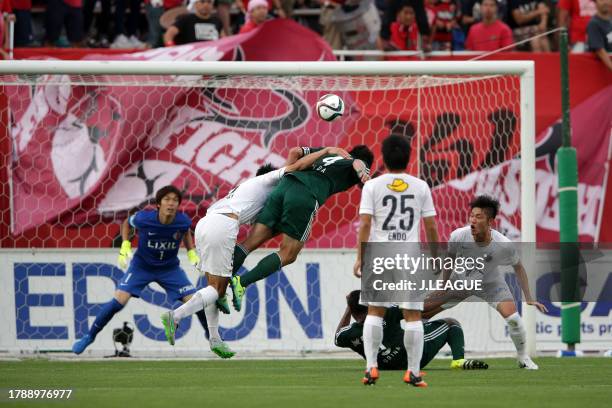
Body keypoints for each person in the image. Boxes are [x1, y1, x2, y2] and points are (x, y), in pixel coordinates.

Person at [160, 147, 351, 348]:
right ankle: (176, 316)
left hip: (205, 224)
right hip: (222, 226)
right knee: (216, 290)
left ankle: (215, 339)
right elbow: (297, 164)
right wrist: (328, 150)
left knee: (214, 289)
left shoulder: (249, 192)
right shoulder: (269, 179)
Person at [72, 186, 224, 356]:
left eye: (175, 200)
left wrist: (191, 252)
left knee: (196, 301)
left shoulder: (182, 220)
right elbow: (126, 223)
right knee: (119, 301)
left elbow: (185, 231)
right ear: (158, 204)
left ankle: (210, 336)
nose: (171, 203)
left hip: (169, 268)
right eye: (167, 199)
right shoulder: (144, 218)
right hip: (141, 266)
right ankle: (89, 336)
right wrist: (125, 244)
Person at [229, 145, 374, 311]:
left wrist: (285, 178)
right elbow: (357, 163)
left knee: (249, 243)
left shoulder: (330, 152)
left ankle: (218, 285)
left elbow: (294, 151)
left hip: (284, 186)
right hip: (305, 196)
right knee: (288, 254)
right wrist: (364, 173)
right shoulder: (354, 160)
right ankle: (242, 282)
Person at [422, 195, 548, 369]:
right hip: (461, 282)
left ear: (490, 222)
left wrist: (529, 297)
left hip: (491, 284)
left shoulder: (504, 245)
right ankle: (411, 347)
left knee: (514, 320)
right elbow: (450, 260)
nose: (473, 220)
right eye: (471, 216)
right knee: (423, 311)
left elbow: (518, 267)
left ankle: (523, 358)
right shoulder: (458, 236)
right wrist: (443, 286)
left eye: (479, 217)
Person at [352, 135, 439, 387]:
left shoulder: (372, 186)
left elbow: (366, 223)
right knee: (412, 314)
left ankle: (371, 368)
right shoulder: (421, 186)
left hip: (379, 254)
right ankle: (413, 372)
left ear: (384, 158)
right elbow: (431, 226)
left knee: (375, 312)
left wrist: (360, 257)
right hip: (409, 255)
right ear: (409, 157)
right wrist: (435, 257)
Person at [335, 290, 489, 372]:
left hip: (383, 366)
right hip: (411, 358)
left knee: (420, 320)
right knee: (451, 324)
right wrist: (451, 296)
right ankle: (458, 360)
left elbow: (337, 337)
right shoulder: (386, 311)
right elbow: (421, 309)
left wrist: (348, 308)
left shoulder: (349, 334)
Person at [586, 0, 612, 70]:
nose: (605, 2)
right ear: (595, 2)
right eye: (601, 0)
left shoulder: (610, 20)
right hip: (600, 72)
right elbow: (600, 51)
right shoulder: (593, 24)